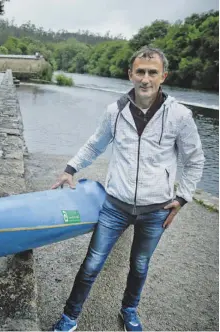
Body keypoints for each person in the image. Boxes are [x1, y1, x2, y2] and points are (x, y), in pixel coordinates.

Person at [51, 46, 205, 332]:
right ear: (130, 75)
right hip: (115, 206)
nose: (145, 79)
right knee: (91, 264)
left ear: (163, 76)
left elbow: (195, 160)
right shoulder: (115, 110)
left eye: (152, 73)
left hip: (156, 210)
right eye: (140, 72)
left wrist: (182, 197)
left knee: (140, 266)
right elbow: (95, 144)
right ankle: (70, 317)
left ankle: (129, 310)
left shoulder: (180, 116)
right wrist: (70, 169)